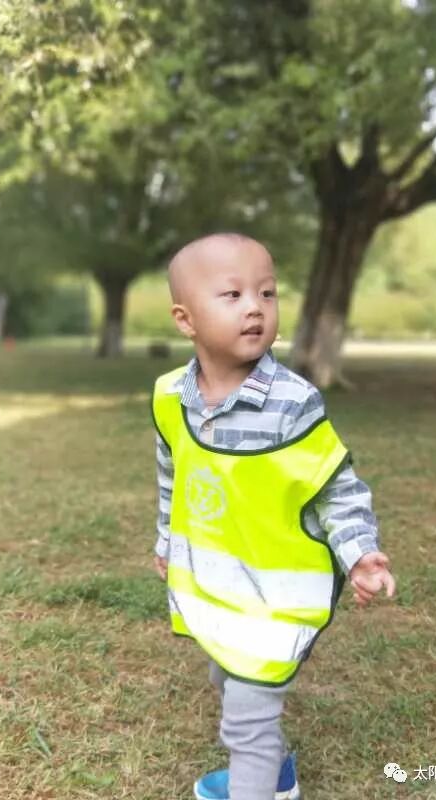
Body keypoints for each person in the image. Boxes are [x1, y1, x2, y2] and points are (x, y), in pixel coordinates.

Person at [151, 232, 396, 800]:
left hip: (278, 596)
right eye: (232, 295)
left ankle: (257, 781)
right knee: (225, 670)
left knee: (246, 719)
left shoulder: (292, 402)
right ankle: (278, 777)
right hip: (222, 584)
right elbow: (173, 477)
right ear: (185, 320)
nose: (255, 307)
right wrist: (168, 539)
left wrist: (359, 552)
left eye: (267, 293)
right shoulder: (171, 397)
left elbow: (336, 488)